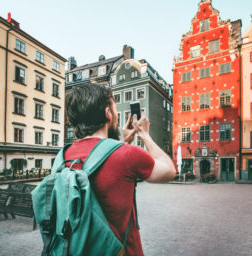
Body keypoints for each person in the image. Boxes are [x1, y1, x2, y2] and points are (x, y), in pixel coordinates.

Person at [65, 83, 176, 255]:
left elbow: (100, 161)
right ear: (107, 113)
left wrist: (123, 143)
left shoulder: (64, 155)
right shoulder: (127, 155)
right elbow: (169, 171)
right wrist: (144, 134)